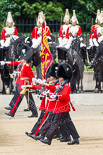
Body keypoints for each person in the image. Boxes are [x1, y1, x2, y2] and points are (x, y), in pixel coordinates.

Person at [39, 63, 79, 145]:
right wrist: (46, 85)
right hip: (62, 108)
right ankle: (76, 138)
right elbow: (54, 88)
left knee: (55, 123)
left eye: (60, 77)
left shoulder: (66, 86)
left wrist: (56, 97)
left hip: (61, 108)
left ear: (63, 78)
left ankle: (48, 139)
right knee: (68, 123)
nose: (59, 78)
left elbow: (64, 97)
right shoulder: (61, 85)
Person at [4, 44, 38, 118]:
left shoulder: (27, 66)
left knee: (19, 99)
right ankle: (35, 112)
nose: (20, 60)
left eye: (22, 59)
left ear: (25, 59)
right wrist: (6, 63)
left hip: (25, 85)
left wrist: (34, 83)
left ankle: (12, 112)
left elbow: (31, 75)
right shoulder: (22, 64)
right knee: (30, 100)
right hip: (22, 84)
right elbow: (15, 63)